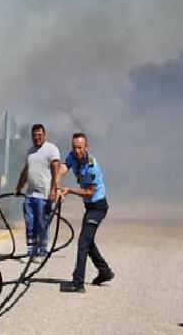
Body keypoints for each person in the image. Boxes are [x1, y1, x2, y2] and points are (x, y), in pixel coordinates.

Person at [57, 133, 114, 293]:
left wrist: (69, 190)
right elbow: (62, 169)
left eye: (80, 147)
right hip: (89, 207)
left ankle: (78, 282)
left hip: (98, 207)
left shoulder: (91, 166)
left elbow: (89, 192)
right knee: (88, 241)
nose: (77, 151)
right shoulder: (72, 156)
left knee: (83, 242)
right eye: (74, 147)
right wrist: (56, 186)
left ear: (86, 148)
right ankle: (104, 272)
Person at [14, 124, 61, 260]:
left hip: (44, 195)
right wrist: (18, 187)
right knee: (30, 224)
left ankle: (42, 251)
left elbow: (56, 170)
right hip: (30, 194)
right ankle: (31, 252)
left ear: (44, 135)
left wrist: (54, 189)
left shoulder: (51, 149)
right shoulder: (30, 151)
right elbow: (25, 171)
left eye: (39, 135)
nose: (36, 137)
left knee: (42, 223)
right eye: (34, 135)